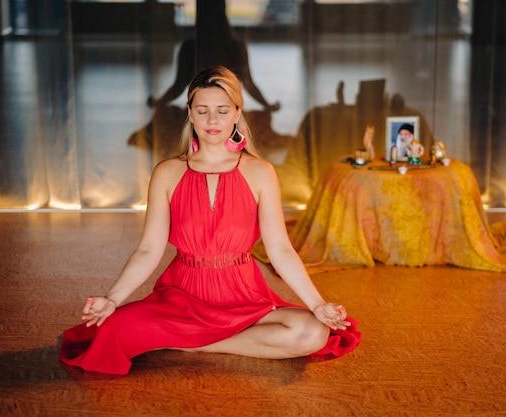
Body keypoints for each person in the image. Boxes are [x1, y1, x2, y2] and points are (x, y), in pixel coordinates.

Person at [60, 66, 360, 375]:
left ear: (236, 113)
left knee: (312, 332)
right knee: (113, 330)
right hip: (183, 295)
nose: (212, 121)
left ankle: (190, 341)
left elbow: (281, 250)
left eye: (222, 110)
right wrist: (112, 298)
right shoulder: (167, 172)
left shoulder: (261, 172)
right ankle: (188, 333)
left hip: (243, 294)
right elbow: (149, 250)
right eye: (202, 111)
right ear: (190, 114)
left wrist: (317, 304)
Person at [148, 0, 280, 112]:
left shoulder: (191, 47)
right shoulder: (234, 47)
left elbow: (178, 86)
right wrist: (267, 106)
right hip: (225, 112)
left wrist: (158, 103)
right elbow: (249, 84)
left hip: (202, 111)